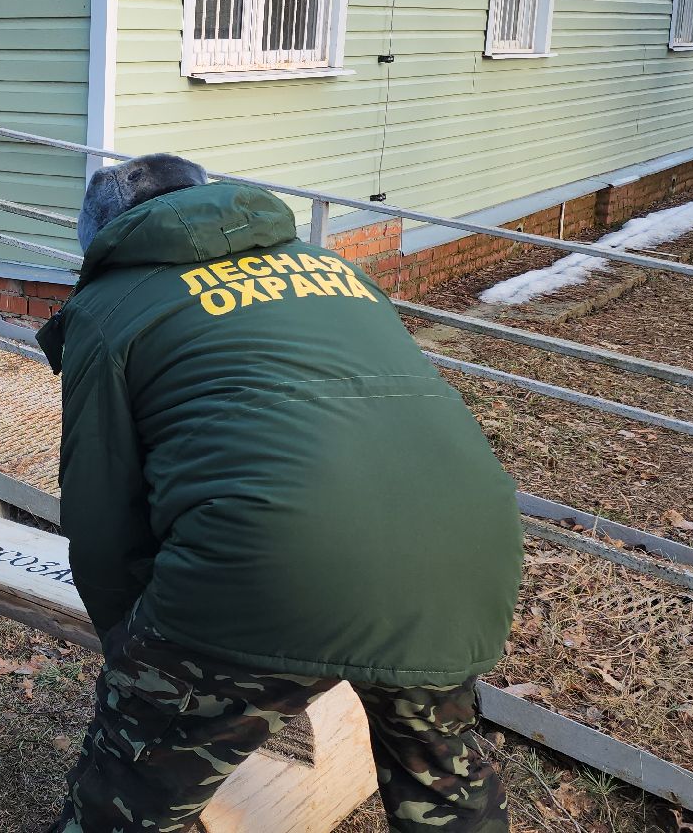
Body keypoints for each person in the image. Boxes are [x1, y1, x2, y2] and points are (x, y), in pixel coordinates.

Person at [36, 154, 524, 833]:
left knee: (130, 792)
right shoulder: (334, 271)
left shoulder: (108, 305)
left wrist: (135, 657)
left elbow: (101, 511)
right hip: (467, 547)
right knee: (444, 782)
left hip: (267, 561)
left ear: (104, 237)